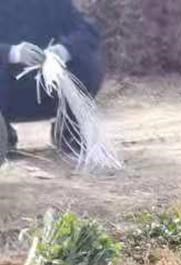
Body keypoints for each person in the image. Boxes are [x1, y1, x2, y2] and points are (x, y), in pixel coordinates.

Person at [0, 0, 105, 162]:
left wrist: (64, 50)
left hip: (50, 86)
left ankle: (70, 133)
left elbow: (89, 31)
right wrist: (11, 53)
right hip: (7, 92)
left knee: (86, 59)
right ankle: (3, 136)